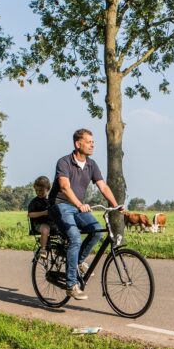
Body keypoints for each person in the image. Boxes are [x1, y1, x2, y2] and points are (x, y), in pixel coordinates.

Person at [49, 128, 119, 301]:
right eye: (88, 142)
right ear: (77, 144)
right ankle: (71, 285)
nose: (92, 144)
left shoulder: (91, 164)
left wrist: (116, 205)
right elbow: (65, 187)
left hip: (77, 207)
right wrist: (79, 204)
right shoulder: (64, 162)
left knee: (96, 230)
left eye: (93, 142)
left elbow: (103, 186)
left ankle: (78, 261)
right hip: (60, 206)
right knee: (75, 238)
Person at [27, 176, 52, 250]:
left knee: (66, 228)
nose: (38, 192)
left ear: (47, 189)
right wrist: (43, 213)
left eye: (41, 190)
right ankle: (43, 249)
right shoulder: (34, 202)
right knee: (45, 229)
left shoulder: (51, 200)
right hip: (38, 224)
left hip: (51, 223)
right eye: (36, 190)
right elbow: (30, 214)